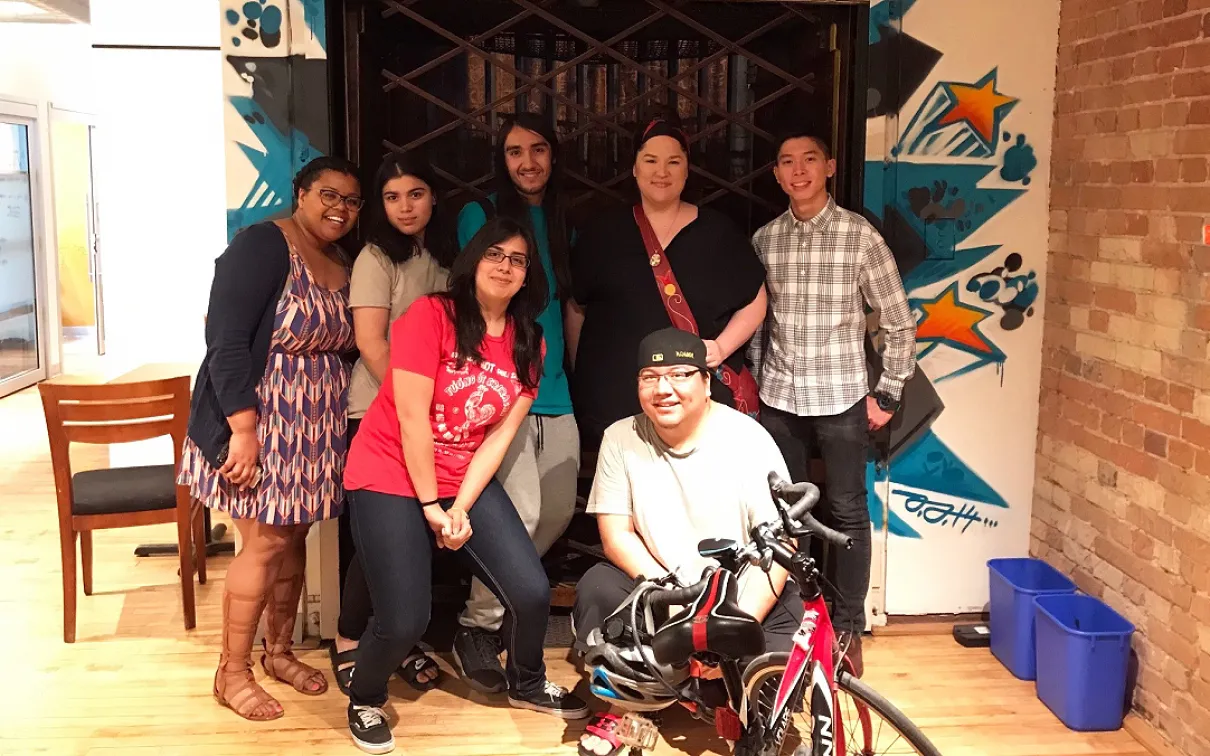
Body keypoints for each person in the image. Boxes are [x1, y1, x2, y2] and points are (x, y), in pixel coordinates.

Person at [341, 216, 590, 755]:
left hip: (459, 478)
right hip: (389, 471)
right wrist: (432, 503)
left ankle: (526, 682)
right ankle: (365, 696)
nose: (504, 266)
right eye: (494, 254)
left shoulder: (530, 341)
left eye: (517, 260)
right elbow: (411, 420)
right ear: (474, 261)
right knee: (405, 618)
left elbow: (497, 440)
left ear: (528, 275)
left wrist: (461, 507)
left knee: (531, 591)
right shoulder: (431, 316)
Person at [178, 156, 363, 721]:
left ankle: (278, 652)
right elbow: (226, 339)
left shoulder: (339, 258)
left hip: (316, 424)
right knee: (263, 542)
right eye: (328, 195)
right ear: (301, 193)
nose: (340, 209)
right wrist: (242, 427)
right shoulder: (261, 245)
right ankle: (230, 672)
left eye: (351, 201)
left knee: (293, 538)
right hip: (261, 420)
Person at [572, 327, 803, 756]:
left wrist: (729, 629)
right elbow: (617, 536)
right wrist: (674, 599)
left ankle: (748, 713)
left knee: (786, 631)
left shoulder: (748, 438)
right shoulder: (621, 438)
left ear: (706, 382)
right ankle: (626, 708)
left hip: (736, 594)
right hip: (665, 589)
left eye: (679, 375)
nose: (664, 389)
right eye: (649, 377)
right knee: (599, 588)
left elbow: (780, 549)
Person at [747, 131, 917, 677]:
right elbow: (756, 323)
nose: (798, 171)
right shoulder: (765, 240)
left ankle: (846, 628)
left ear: (830, 168)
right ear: (776, 174)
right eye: (786, 162)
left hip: (843, 394)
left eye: (809, 161)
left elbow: (897, 318)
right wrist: (750, 386)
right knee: (783, 517)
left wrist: (888, 392)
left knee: (846, 512)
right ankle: (790, 619)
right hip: (778, 396)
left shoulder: (858, 236)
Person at [452, 112, 580, 693]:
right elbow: (476, 302)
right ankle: (478, 624)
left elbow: (570, 308)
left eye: (538, 149)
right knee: (519, 511)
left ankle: (504, 602)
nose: (527, 162)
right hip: (505, 391)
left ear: (553, 156)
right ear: (500, 160)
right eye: (513, 152)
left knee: (555, 510)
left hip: (556, 389)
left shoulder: (560, 219)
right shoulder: (479, 217)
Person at [330, 153, 455, 695]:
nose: (405, 206)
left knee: (410, 538)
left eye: (416, 193)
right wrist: (413, 403)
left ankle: (396, 634)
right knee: (376, 537)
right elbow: (371, 342)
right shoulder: (376, 258)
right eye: (392, 196)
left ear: (435, 196)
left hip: (432, 419)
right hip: (378, 412)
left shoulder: (448, 255)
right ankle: (348, 637)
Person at [567, 115, 768, 453]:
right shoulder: (602, 233)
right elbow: (576, 307)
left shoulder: (718, 233)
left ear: (687, 170)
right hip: (616, 405)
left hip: (696, 406)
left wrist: (720, 348)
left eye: (673, 162)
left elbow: (755, 299)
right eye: (650, 161)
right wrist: (583, 376)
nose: (662, 172)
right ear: (634, 168)